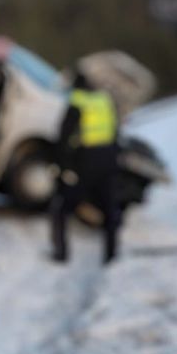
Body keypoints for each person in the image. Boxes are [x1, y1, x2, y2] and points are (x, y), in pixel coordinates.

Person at [49, 69, 120, 265]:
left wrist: (63, 168)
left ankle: (61, 253)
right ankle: (112, 255)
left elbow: (64, 137)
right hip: (107, 162)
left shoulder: (77, 101)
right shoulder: (104, 100)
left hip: (85, 163)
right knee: (110, 210)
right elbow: (115, 132)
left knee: (62, 208)